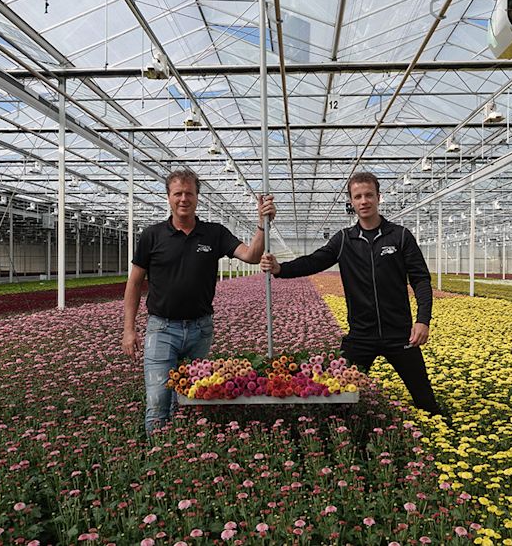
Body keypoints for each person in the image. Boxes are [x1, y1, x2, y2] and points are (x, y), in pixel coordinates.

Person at [260, 171, 443, 415]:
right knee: (338, 400)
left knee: (425, 401)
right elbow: (314, 261)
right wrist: (280, 269)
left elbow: (420, 279)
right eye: (358, 197)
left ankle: (439, 426)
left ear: (378, 197)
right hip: (360, 336)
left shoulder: (400, 236)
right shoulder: (345, 239)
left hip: (400, 335)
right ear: (351, 201)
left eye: (369, 195)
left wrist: (423, 320)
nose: (364, 201)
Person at [123, 168, 276, 433]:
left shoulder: (214, 233)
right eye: (177, 193)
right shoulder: (152, 235)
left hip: (200, 329)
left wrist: (262, 224)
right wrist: (128, 329)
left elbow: (251, 255)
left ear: (197, 197)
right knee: (158, 400)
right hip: (161, 329)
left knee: (191, 396)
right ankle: (158, 451)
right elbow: (134, 283)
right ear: (168, 197)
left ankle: (180, 445)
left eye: (189, 193)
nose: (183, 199)